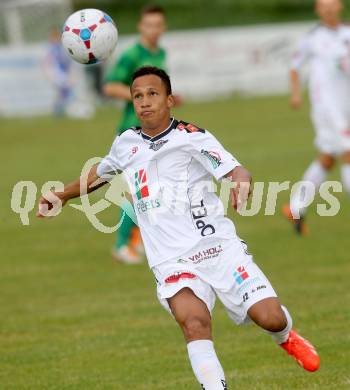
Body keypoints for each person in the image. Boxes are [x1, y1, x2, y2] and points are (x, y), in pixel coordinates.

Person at [37, 66, 320, 389]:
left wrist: (241, 186)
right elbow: (99, 174)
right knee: (195, 324)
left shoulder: (192, 137)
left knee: (270, 317)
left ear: (169, 100)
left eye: (152, 94)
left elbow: (236, 170)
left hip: (218, 249)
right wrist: (60, 195)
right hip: (171, 260)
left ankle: (285, 336)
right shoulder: (126, 143)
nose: (144, 102)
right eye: (138, 96)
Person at [103, 5, 178, 264]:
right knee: (137, 192)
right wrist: (142, 97)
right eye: (149, 25)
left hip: (157, 132)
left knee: (155, 190)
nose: (154, 30)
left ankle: (141, 239)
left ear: (163, 27)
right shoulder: (132, 54)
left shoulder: (161, 53)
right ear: (140, 27)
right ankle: (122, 245)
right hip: (132, 132)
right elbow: (111, 86)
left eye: (158, 25)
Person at [284, 0, 350, 234]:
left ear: (340, 5)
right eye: (324, 5)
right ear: (318, 10)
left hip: (346, 105)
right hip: (326, 108)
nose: (329, 9)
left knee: (327, 158)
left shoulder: (347, 32)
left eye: (332, 4)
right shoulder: (312, 38)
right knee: (348, 151)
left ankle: (295, 207)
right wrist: (295, 95)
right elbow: (294, 66)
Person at [43, 27, 73, 116]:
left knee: (64, 92)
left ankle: (60, 109)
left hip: (62, 73)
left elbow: (66, 61)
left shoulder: (62, 47)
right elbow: (47, 62)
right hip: (56, 73)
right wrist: (49, 74)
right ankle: (58, 110)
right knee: (62, 91)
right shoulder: (50, 48)